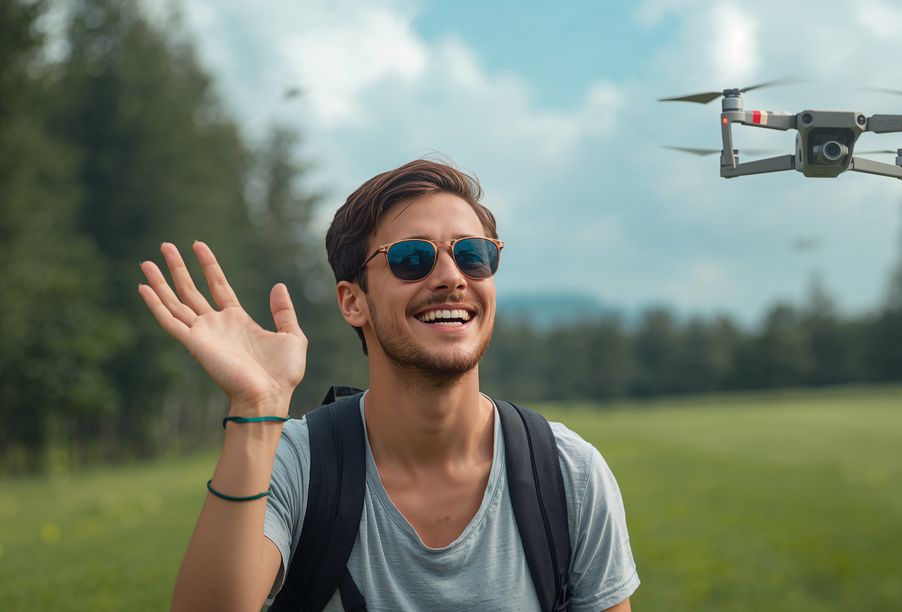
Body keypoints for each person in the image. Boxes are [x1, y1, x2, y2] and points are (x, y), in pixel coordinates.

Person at [138, 159, 639, 611]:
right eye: (411, 258)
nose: (451, 277)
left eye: (473, 254)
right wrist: (256, 406)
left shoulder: (568, 473)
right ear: (353, 301)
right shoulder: (293, 463)